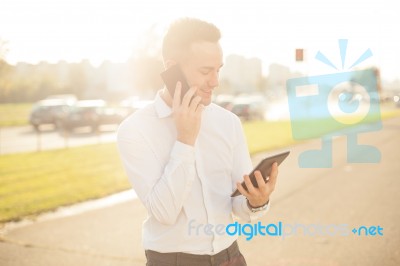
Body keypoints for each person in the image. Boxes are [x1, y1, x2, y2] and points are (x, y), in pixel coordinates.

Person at [117, 17, 279, 266]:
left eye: (218, 69)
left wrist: (257, 202)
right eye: (205, 71)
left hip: (231, 257)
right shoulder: (134, 130)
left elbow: (238, 204)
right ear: (172, 68)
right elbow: (164, 212)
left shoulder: (229, 123)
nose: (215, 81)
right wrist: (185, 139)